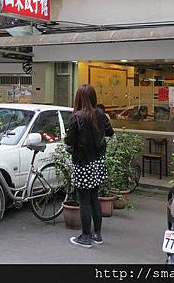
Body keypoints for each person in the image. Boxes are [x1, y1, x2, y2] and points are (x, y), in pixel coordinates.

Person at [65, 84, 114, 248]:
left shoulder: (77, 117)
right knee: (94, 199)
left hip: (82, 163)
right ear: (93, 98)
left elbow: (69, 141)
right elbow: (110, 133)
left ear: (79, 98)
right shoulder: (101, 115)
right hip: (97, 162)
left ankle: (85, 237)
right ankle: (97, 235)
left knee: (83, 200)